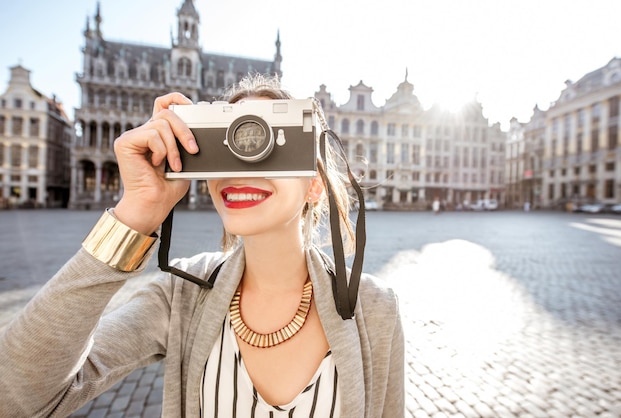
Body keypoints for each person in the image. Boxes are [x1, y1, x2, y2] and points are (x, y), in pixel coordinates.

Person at [0, 74, 405, 417]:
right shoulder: (181, 294)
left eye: (273, 146)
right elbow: (19, 397)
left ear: (314, 182)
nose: (245, 163)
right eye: (226, 147)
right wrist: (136, 212)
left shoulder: (375, 309)